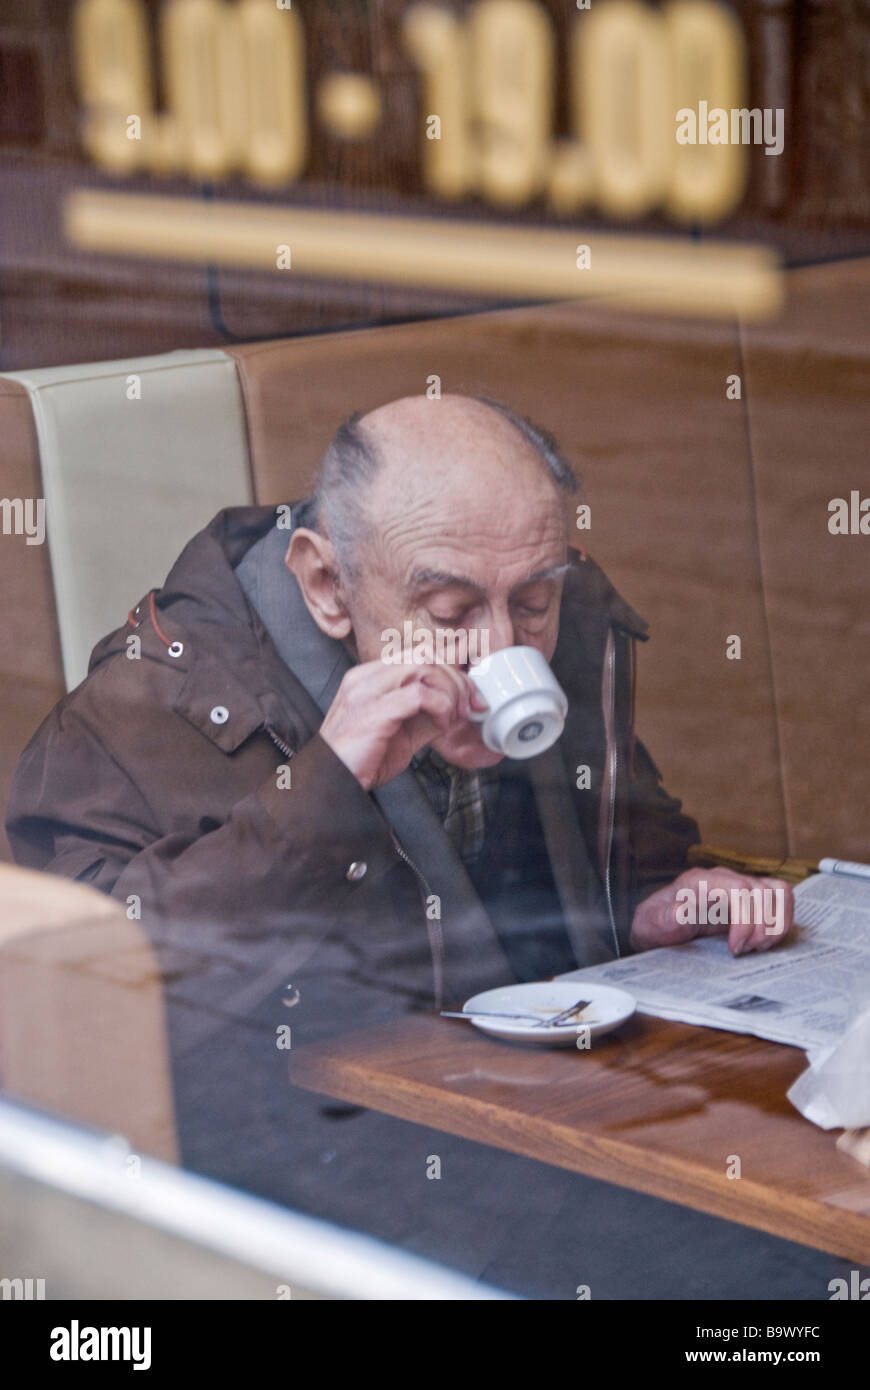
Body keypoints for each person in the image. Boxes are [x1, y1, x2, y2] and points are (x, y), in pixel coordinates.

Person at [6, 394, 810, 1297]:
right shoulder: (143, 713)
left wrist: (651, 898)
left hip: (553, 1131)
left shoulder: (565, 616)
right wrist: (324, 788)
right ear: (325, 586)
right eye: (450, 611)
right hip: (322, 1194)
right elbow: (78, 1005)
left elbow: (620, 837)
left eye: (532, 602)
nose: (501, 648)